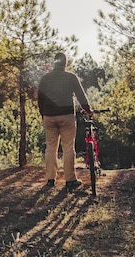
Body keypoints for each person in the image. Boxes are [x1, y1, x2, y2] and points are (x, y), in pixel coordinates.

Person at [37, 52, 93, 189]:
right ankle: (70, 180)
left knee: (50, 147)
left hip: (49, 116)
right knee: (68, 147)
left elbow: (40, 99)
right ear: (65, 63)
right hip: (66, 116)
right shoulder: (71, 77)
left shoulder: (45, 78)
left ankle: (50, 179)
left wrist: (43, 114)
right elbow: (81, 96)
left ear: (54, 63)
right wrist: (88, 111)